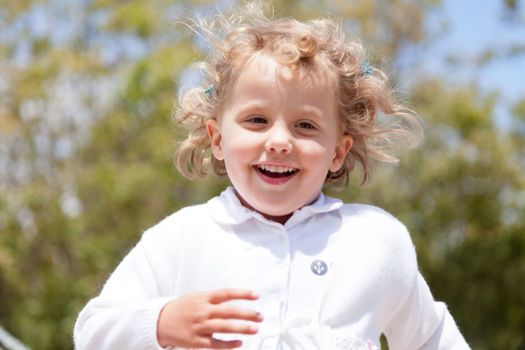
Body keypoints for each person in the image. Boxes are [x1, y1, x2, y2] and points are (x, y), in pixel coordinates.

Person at [74, 2, 470, 349]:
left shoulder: (376, 241)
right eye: (257, 120)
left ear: (338, 151)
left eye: (305, 126)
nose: (280, 141)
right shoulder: (183, 237)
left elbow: (431, 340)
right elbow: (94, 331)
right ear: (217, 138)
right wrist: (162, 323)